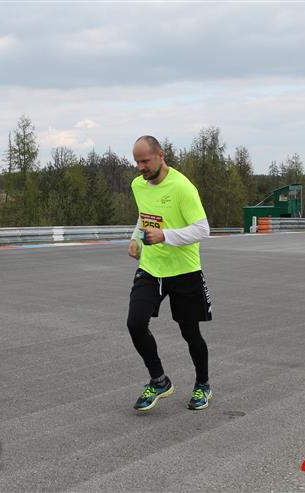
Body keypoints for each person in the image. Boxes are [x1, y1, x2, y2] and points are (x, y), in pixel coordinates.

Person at [126, 135, 213, 411]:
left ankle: (203, 384)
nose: (141, 167)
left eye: (145, 161)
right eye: (137, 162)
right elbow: (145, 215)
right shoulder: (138, 185)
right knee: (135, 323)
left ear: (160, 155)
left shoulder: (182, 187)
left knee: (190, 332)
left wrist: (165, 236)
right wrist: (136, 239)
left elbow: (202, 229)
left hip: (184, 270)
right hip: (152, 268)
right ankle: (159, 380)